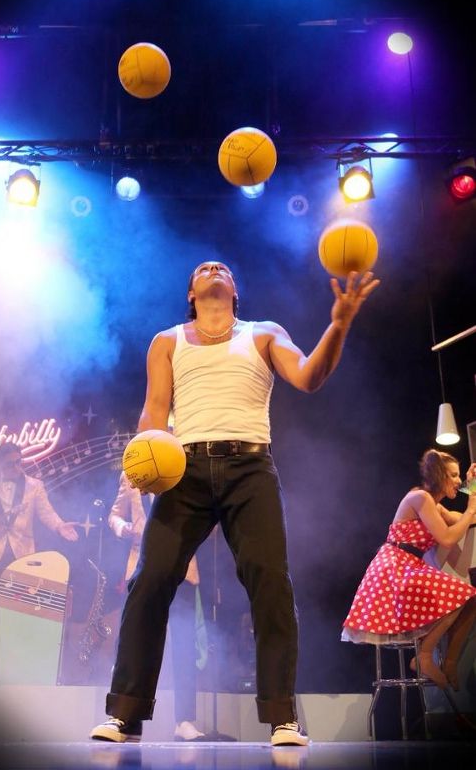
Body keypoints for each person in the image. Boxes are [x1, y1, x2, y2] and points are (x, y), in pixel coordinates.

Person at [90, 259, 379, 746]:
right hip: (183, 471)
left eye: (221, 267)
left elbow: (308, 376)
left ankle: (282, 717)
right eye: (203, 268)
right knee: (149, 581)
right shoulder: (167, 342)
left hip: (250, 468)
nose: (212, 268)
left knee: (271, 583)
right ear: (191, 293)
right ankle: (125, 714)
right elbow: (154, 416)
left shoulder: (264, 333)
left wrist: (339, 324)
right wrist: (145, 463)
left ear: (235, 289)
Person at [341, 449, 476, 690]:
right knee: (460, 594)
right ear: (440, 475)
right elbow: (447, 538)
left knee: (468, 598)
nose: (458, 482)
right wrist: (470, 510)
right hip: (394, 570)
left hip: (410, 567)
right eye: (454, 476)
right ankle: (424, 656)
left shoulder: (434, 505)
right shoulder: (420, 497)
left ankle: (449, 662)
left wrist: (472, 486)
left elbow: (463, 520)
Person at [0, 441, 79, 683]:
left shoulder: (34, 485)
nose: (16, 467)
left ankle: (20, 669)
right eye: (10, 464)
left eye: (19, 462)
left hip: (22, 557)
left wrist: (60, 526)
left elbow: (46, 512)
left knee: (23, 613)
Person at [109, 470, 205, 741]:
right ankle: (127, 717)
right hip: (141, 566)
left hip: (183, 568)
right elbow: (114, 515)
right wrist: (123, 527)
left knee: (185, 648)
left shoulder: (184, 470)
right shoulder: (132, 474)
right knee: (136, 643)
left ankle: (184, 720)